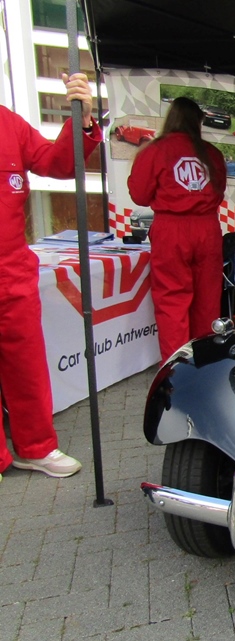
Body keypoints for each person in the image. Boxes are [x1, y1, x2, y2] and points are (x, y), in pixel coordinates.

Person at [0, 73, 101, 481]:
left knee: (27, 367)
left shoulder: (9, 124)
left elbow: (58, 164)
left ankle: (36, 448)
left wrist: (82, 119)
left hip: (12, 271)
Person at [128, 97, 226, 363]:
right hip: (206, 228)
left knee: (172, 301)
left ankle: (176, 368)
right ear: (198, 122)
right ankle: (205, 363)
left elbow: (139, 194)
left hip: (171, 229)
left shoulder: (155, 150)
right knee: (207, 301)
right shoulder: (211, 153)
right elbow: (219, 191)